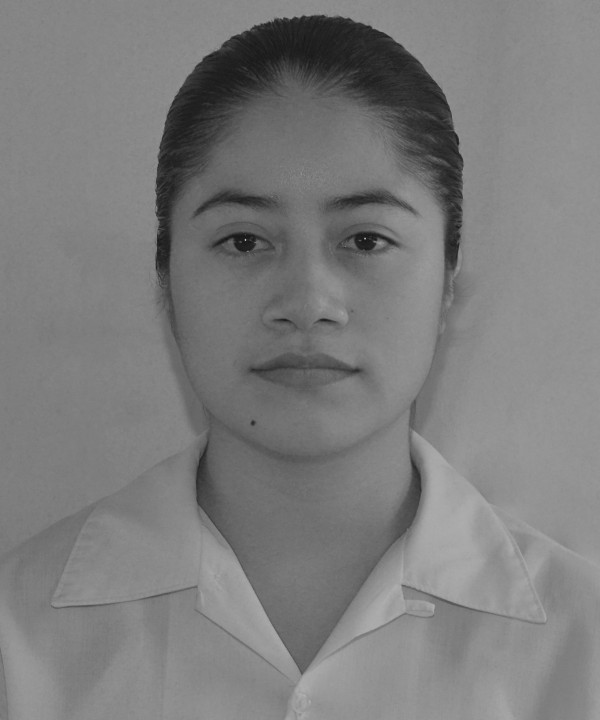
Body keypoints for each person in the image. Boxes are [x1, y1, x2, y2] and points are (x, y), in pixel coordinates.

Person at [1, 14, 599, 719]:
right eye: (244, 241)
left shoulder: (580, 647)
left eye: (366, 240)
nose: (309, 303)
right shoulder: (19, 641)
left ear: (447, 281)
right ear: (165, 279)